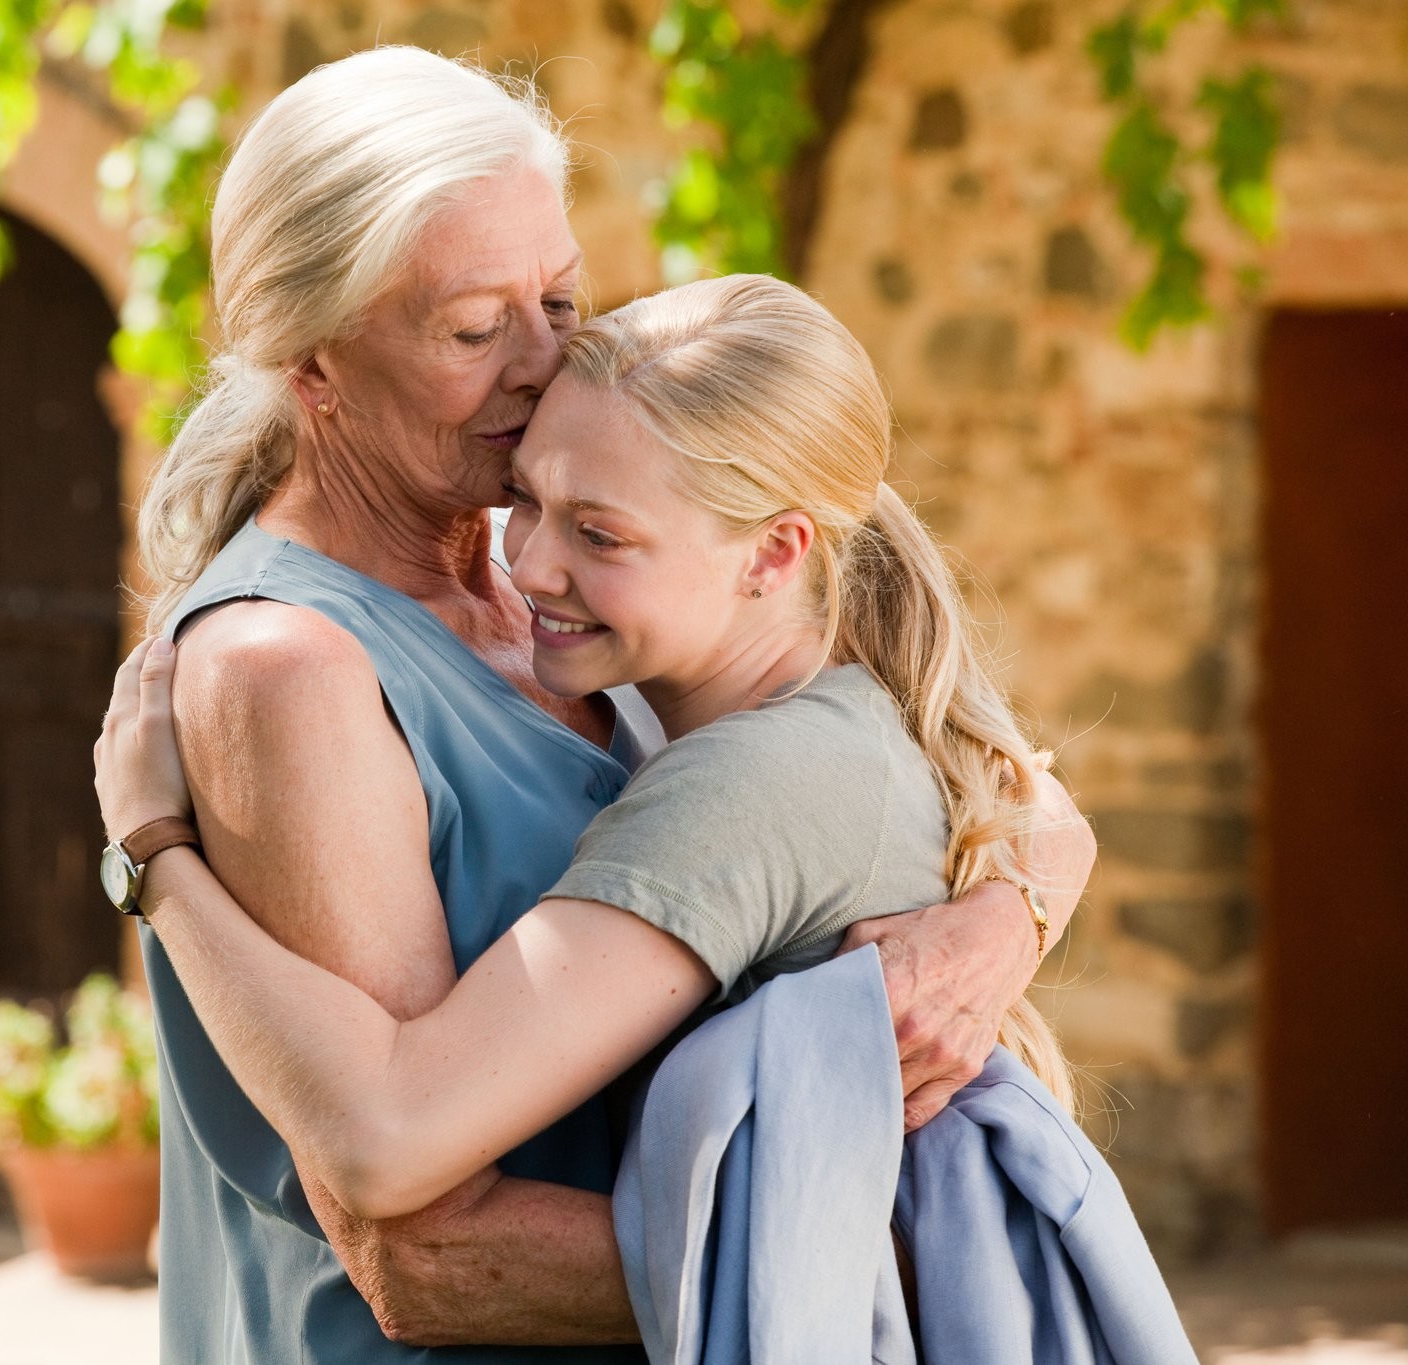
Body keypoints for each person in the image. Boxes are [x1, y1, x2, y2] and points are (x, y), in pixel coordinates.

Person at [114, 47, 1096, 1362]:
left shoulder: (566, 563)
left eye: (563, 298)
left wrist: (993, 923)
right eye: (474, 328)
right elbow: (422, 1249)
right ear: (315, 364)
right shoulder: (290, 669)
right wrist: (904, 1254)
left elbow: (991, 774)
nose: (540, 366)